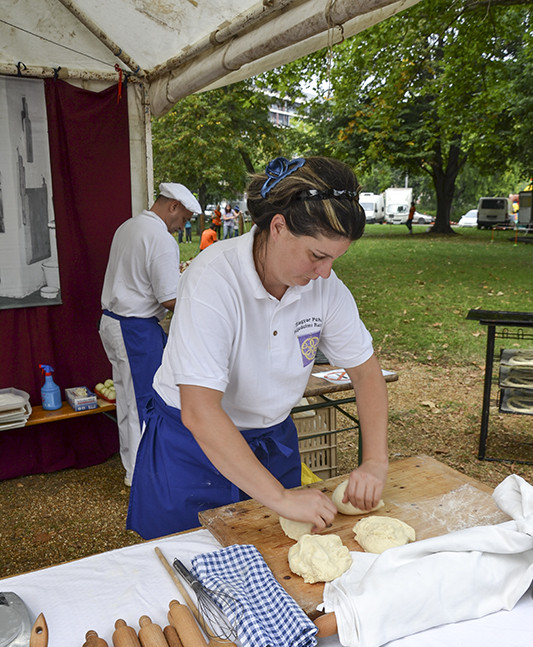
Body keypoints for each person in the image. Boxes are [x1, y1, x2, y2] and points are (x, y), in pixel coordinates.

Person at [127, 156, 388, 539]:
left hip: (272, 442)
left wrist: (375, 462)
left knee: (277, 560)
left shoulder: (325, 287)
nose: (326, 272)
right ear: (278, 227)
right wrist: (281, 497)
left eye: (335, 258)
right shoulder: (213, 279)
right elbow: (200, 412)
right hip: (191, 451)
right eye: (317, 255)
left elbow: (366, 373)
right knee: (186, 567)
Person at [99, 182, 201, 486]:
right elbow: (168, 298)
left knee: (127, 400)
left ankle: (132, 465)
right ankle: (143, 474)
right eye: (183, 218)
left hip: (115, 321)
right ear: (172, 206)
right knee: (144, 400)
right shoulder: (160, 238)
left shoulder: (128, 227)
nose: (182, 226)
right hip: (135, 328)